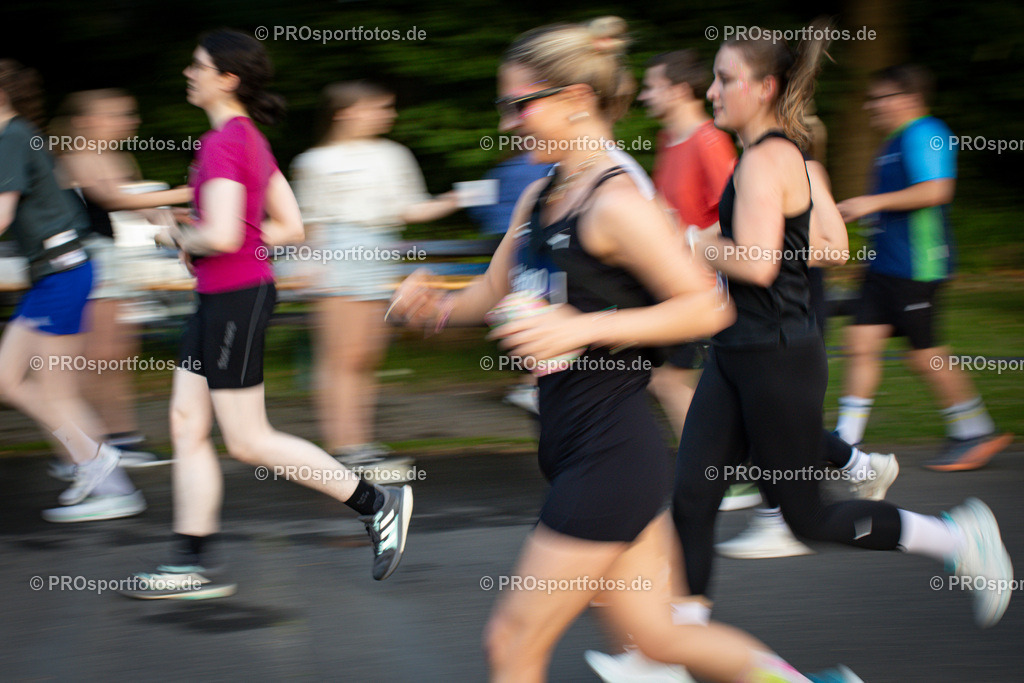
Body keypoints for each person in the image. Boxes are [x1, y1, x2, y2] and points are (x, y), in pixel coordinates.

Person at [389, 18, 860, 683]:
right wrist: (430, 305)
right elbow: (490, 294)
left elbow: (707, 305)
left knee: (511, 644)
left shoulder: (615, 203)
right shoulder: (540, 196)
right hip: (573, 445)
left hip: (609, 455)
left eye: (519, 105)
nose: (508, 122)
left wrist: (581, 329)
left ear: (576, 99)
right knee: (659, 638)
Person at [672, 27, 1012, 635]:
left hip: (776, 356)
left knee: (806, 518)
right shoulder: (765, 157)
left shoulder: (768, 159)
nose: (713, 91)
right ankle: (676, 648)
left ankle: (956, 537)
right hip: (736, 350)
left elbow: (758, 263)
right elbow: (774, 245)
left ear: (764, 88)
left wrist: (698, 245)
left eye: (725, 79)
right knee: (693, 497)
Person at [123, 31, 411, 599]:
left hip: (235, 299)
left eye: (198, 65)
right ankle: (188, 564)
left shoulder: (224, 142)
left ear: (227, 78)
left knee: (249, 440)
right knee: (186, 423)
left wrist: (172, 234)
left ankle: (379, 503)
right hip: (222, 296)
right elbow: (289, 227)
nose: (188, 73)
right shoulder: (247, 138)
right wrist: (205, 239)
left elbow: (224, 235)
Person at [835, 64, 1012, 471]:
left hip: (917, 267)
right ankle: (845, 442)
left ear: (909, 98)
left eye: (880, 98)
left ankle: (975, 432)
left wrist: (871, 203)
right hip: (885, 267)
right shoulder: (895, 140)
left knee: (925, 355)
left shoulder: (927, 132)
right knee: (860, 344)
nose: (871, 105)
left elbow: (936, 190)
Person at [291, 80, 461, 481]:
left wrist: (458, 199)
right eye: (379, 107)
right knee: (341, 356)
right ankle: (345, 448)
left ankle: (360, 444)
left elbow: (409, 209)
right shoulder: (314, 161)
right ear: (345, 113)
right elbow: (308, 220)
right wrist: (308, 263)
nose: (389, 114)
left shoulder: (393, 154)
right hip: (338, 253)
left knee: (366, 356)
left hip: (380, 251)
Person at [0, 60, 145, 522]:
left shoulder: (12, 136)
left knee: (56, 391)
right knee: (8, 379)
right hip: (55, 273)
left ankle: (106, 479)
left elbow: (2, 216)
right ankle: (94, 459)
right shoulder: (18, 136)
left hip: (62, 272)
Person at [49, 88, 193, 477]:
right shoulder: (78, 155)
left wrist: (174, 217)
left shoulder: (117, 156)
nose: (129, 121)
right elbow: (113, 200)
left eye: (128, 114)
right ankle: (82, 449)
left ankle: (120, 438)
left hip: (109, 259)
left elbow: (140, 209)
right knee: (93, 357)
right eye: (115, 114)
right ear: (84, 122)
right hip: (83, 258)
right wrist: (191, 190)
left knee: (114, 355)